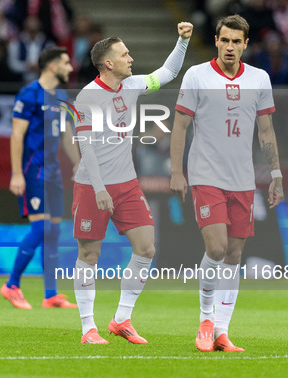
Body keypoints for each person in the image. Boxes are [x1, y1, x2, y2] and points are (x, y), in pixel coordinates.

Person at [72, 23, 193, 344]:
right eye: (124, 54)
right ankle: (88, 329)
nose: (131, 57)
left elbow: (167, 72)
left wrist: (182, 40)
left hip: (126, 183)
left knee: (146, 247)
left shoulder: (134, 84)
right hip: (91, 184)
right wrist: (98, 188)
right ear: (108, 63)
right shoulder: (87, 97)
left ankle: (121, 319)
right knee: (89, 254)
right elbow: (86, 148)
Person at [169, 15, 284, 352]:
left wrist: (275, 173)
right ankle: (206, 319)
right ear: (216, 41)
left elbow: (265, 131)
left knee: (234, 256)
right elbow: (179, 127)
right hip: (206, 175)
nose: (230, 46)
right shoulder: (197, 75)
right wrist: (177, 172)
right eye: (225, 40)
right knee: (216, 248)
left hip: (243, 179)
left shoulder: (259, 78)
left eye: (237, 41)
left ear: (246, 44)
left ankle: (221, 331)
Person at [1, 46, 80, 309]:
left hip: (54, 172)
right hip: (32, 171)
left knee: (54, 231)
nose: (70, 68)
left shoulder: (60, 96)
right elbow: (16, 135)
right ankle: (11, 285)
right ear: (51, 66)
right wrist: (16, 174)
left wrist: (79, 164)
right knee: (41, 228)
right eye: (66, 63)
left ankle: (50, 295)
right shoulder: (29, 94)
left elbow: (67, 134)